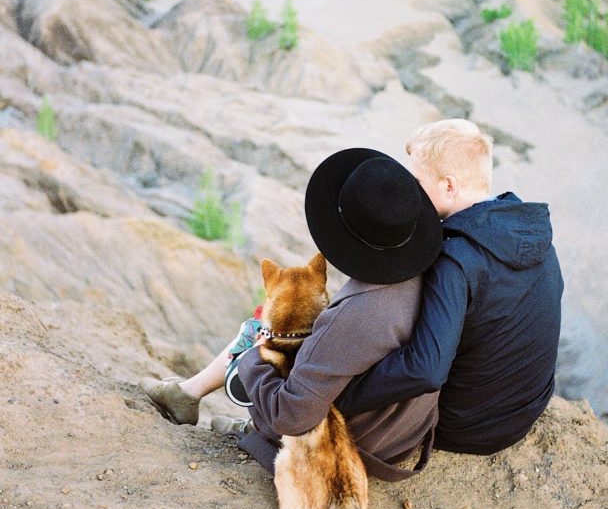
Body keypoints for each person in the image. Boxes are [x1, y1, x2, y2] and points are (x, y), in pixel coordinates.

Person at [141, 149, 444, 482]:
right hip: (398, 431)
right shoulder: (430, 274)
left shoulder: (355, 316)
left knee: (261, 333)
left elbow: (292, 415)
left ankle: (213, 408)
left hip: (350, 444)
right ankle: (186, 395)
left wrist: (255, 357)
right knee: (280, 331)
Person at [336, 119, 564, 455]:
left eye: (416, 182)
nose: (408, 192)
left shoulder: (455, 257)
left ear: (448, 186)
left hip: (467, 428)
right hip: (525, 411)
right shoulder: (534, 233)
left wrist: (344, 395)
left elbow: (426, 369)